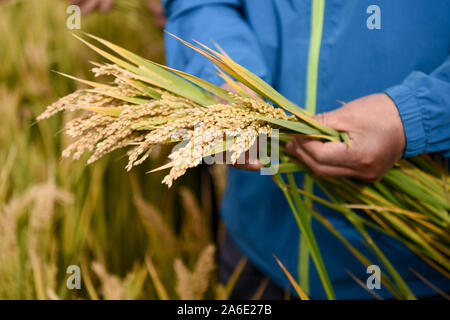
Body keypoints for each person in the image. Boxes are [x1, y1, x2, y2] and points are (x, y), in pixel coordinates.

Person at [163, 0, 450, 299]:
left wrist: (414, 118)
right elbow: (202, 5)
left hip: (412, 270)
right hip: (257, 244)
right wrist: (222, 79)